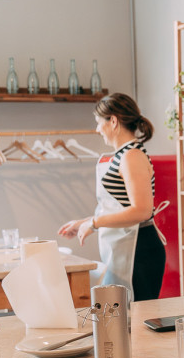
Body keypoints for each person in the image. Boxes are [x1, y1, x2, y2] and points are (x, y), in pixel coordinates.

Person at [58, 93, 166, 301]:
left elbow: (142, 210)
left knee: (136, 322)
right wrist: (84, 222)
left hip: (140, 251)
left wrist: (95, 223)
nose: (98, 129)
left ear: (113, 121)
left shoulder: (132, 156)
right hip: (126, 246)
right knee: (123, 320)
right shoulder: (123, 154)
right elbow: (118, 206)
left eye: (99, 123)